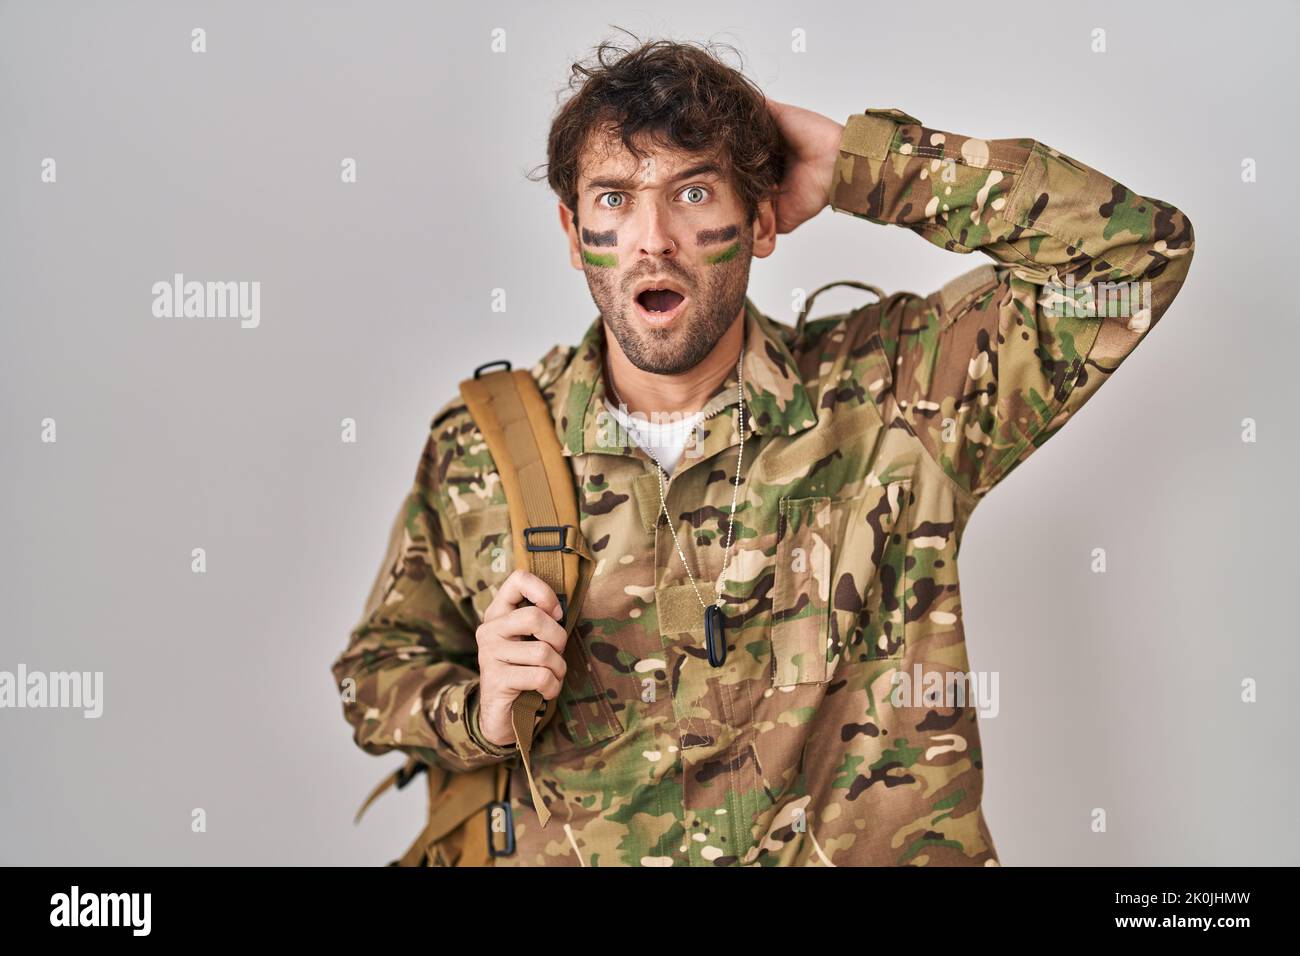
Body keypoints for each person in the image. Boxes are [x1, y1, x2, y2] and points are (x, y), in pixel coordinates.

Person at [330, 35, 1195, 866]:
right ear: (571, 230)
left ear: (762, 220)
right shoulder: (482, 447)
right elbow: (372, 678)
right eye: (614, 198)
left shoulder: (900, 394)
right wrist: (477, 713)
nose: (653, 238)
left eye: (695, 192)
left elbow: (1133, 254)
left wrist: (867, 165)